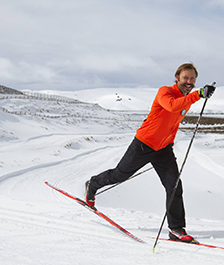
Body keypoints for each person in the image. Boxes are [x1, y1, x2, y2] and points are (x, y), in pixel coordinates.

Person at [84, 63, 215, 243]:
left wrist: (169, 143)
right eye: (186, 78)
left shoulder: (187, 99)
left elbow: (173, 122)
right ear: (176, 77)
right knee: (120, 175)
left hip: (163, 149)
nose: (189, 82)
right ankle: (93, 184)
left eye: (193, 79)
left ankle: (176, 229)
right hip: (144, 144)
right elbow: (171, 107)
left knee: (174, 185)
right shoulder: (165, 92)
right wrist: (198, 94)